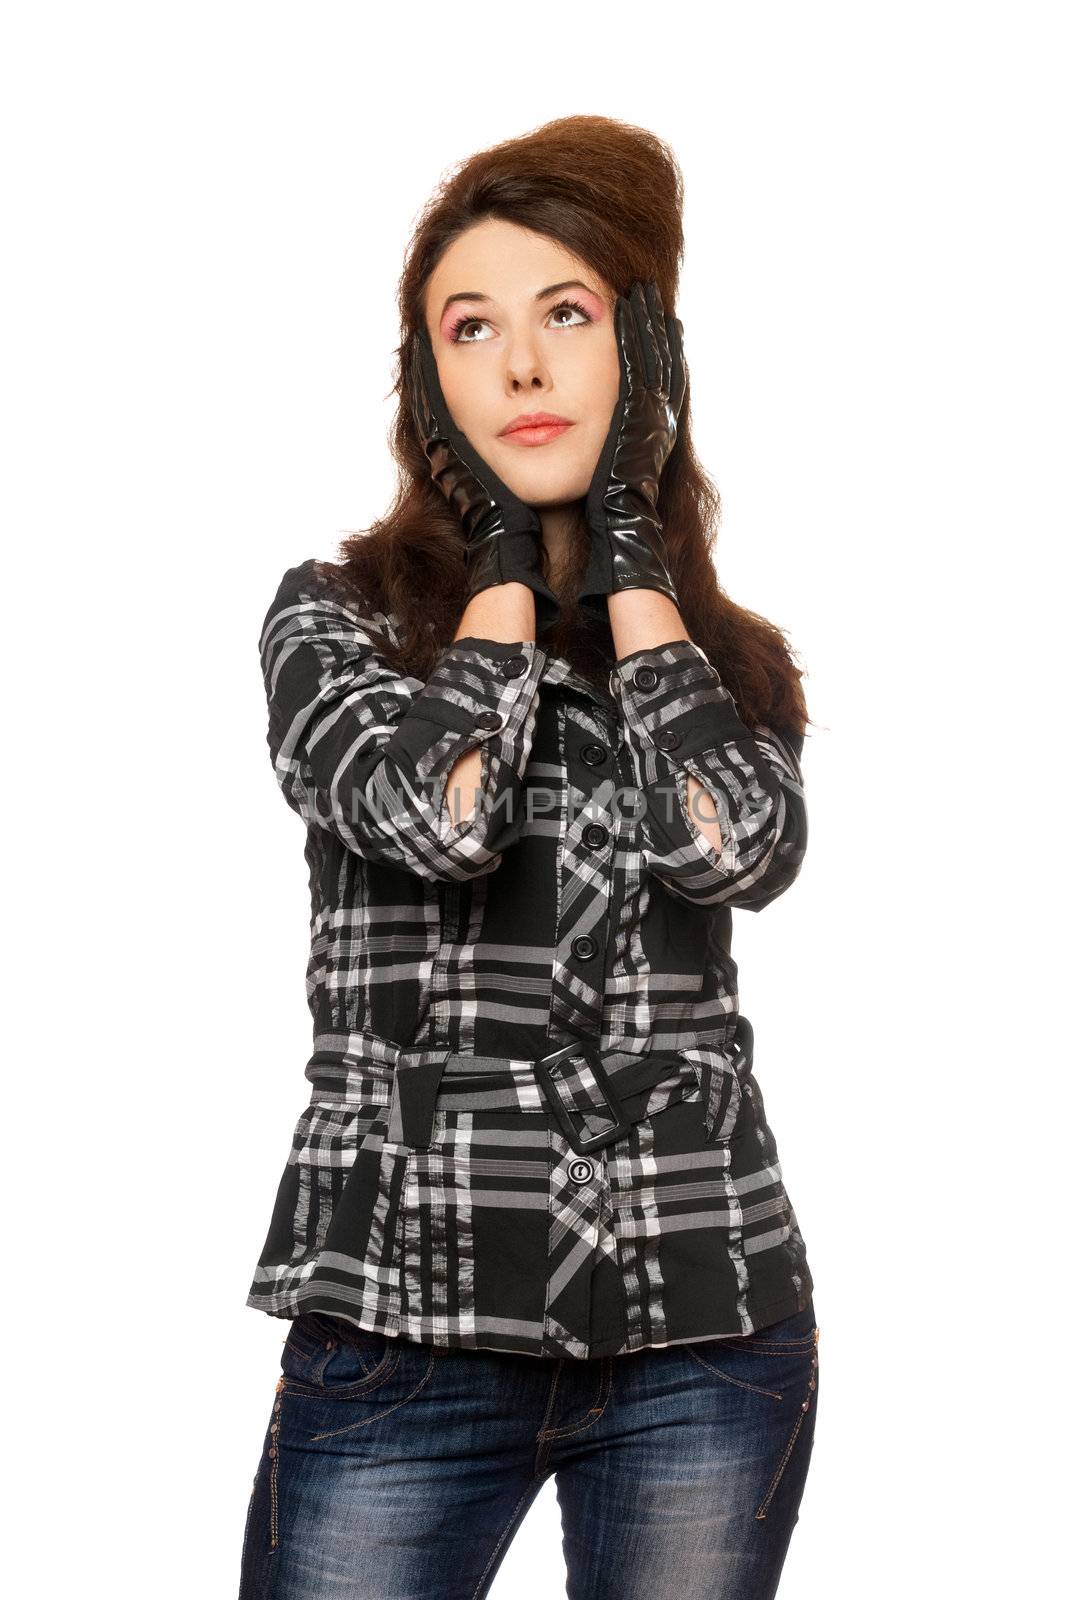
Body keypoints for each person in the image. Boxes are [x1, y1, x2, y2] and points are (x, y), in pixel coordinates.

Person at [239, 114, 820, 1600]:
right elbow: (437, 816)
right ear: (425, 383)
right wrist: (502, 567)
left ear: (647, 357)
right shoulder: (337, 624)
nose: (520, 366)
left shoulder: (720, 659)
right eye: (469, 327)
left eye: (567, 315)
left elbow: (742, 849)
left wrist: (631, 560)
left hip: (700, 1324)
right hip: (402, 1328)